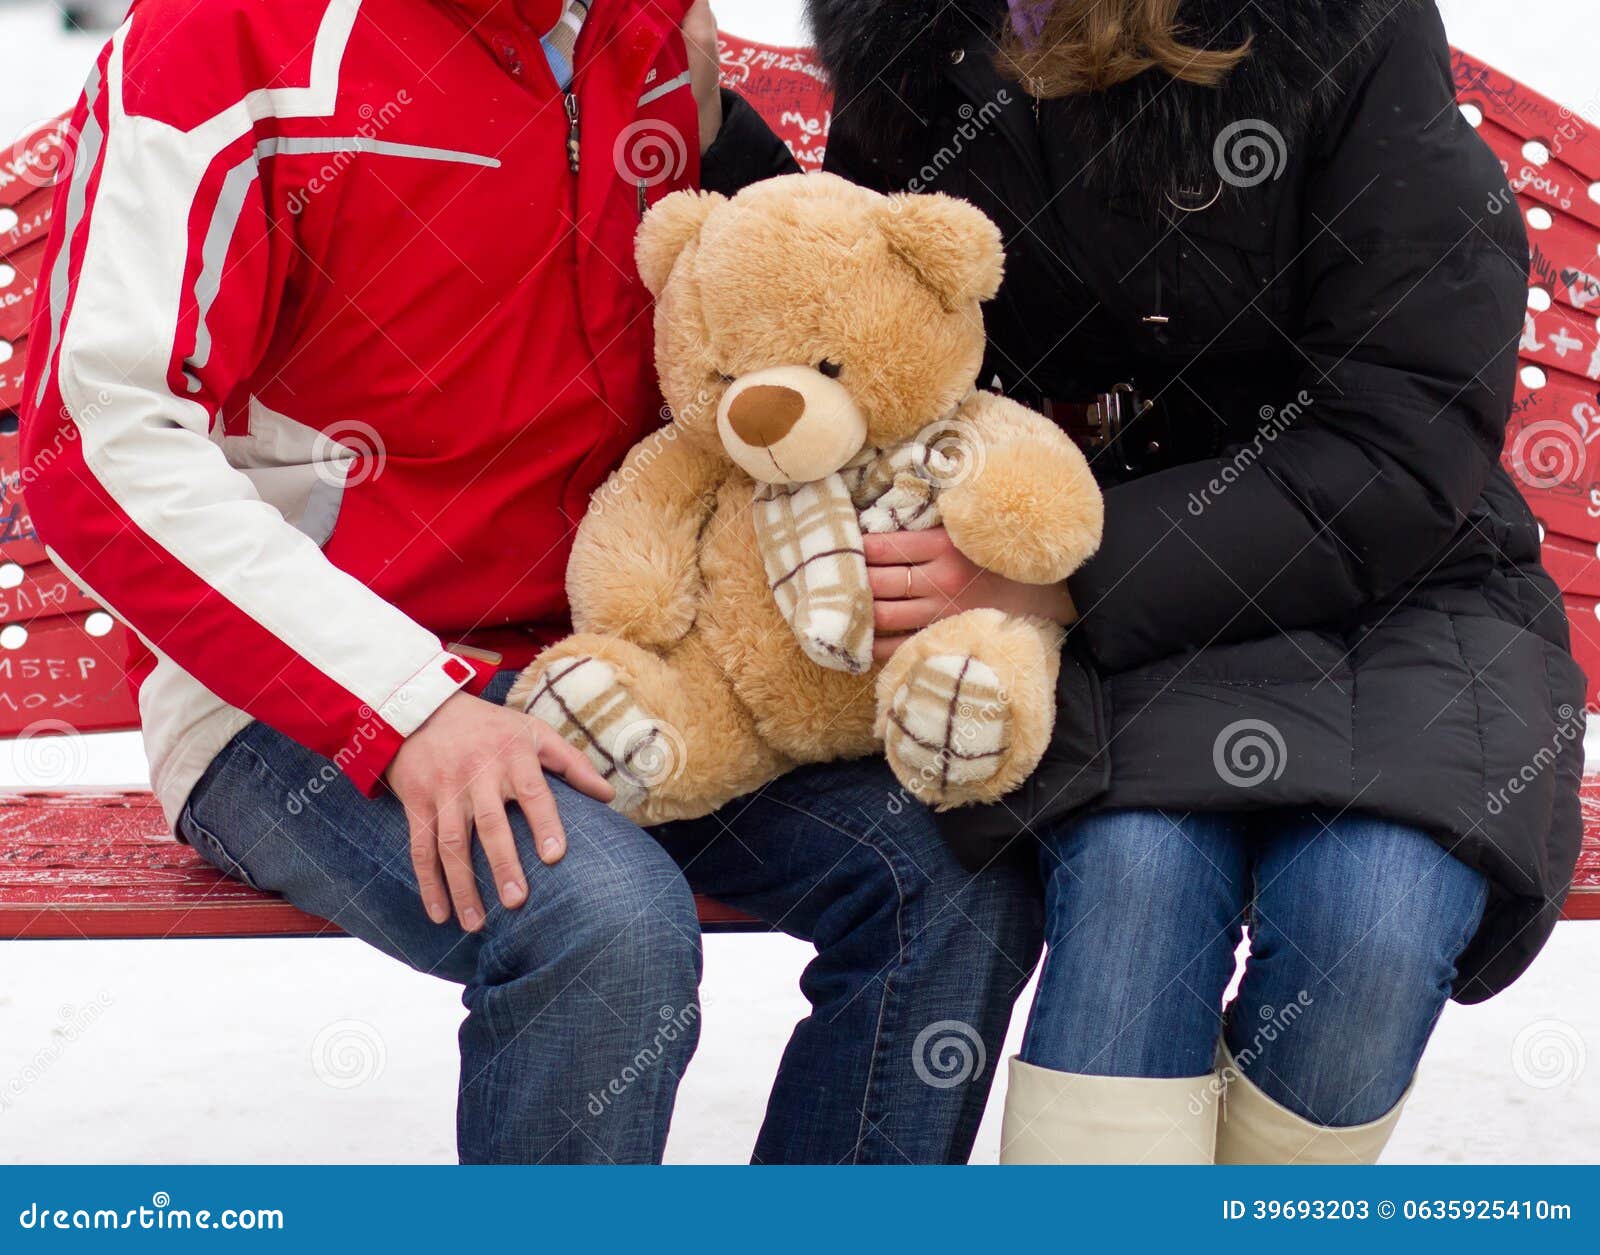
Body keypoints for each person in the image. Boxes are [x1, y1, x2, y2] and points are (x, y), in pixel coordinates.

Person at [19, 0, 1042, 1164]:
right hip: (301, 693)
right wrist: (404, 705)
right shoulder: (224, 37)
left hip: (632, 665)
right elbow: (100, 443)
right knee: (604, 925)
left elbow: (779, 321)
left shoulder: (647, 34)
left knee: (951, 873)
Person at [787, 0, 1587, 1163]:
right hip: (1092, 611)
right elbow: (863, 322)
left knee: (1370, 915)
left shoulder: (1339, 24)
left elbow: (1403, 437)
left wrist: (1067, 575)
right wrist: (717, 138)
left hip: (1389, 588)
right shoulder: (915, 31)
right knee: (1136, 885)